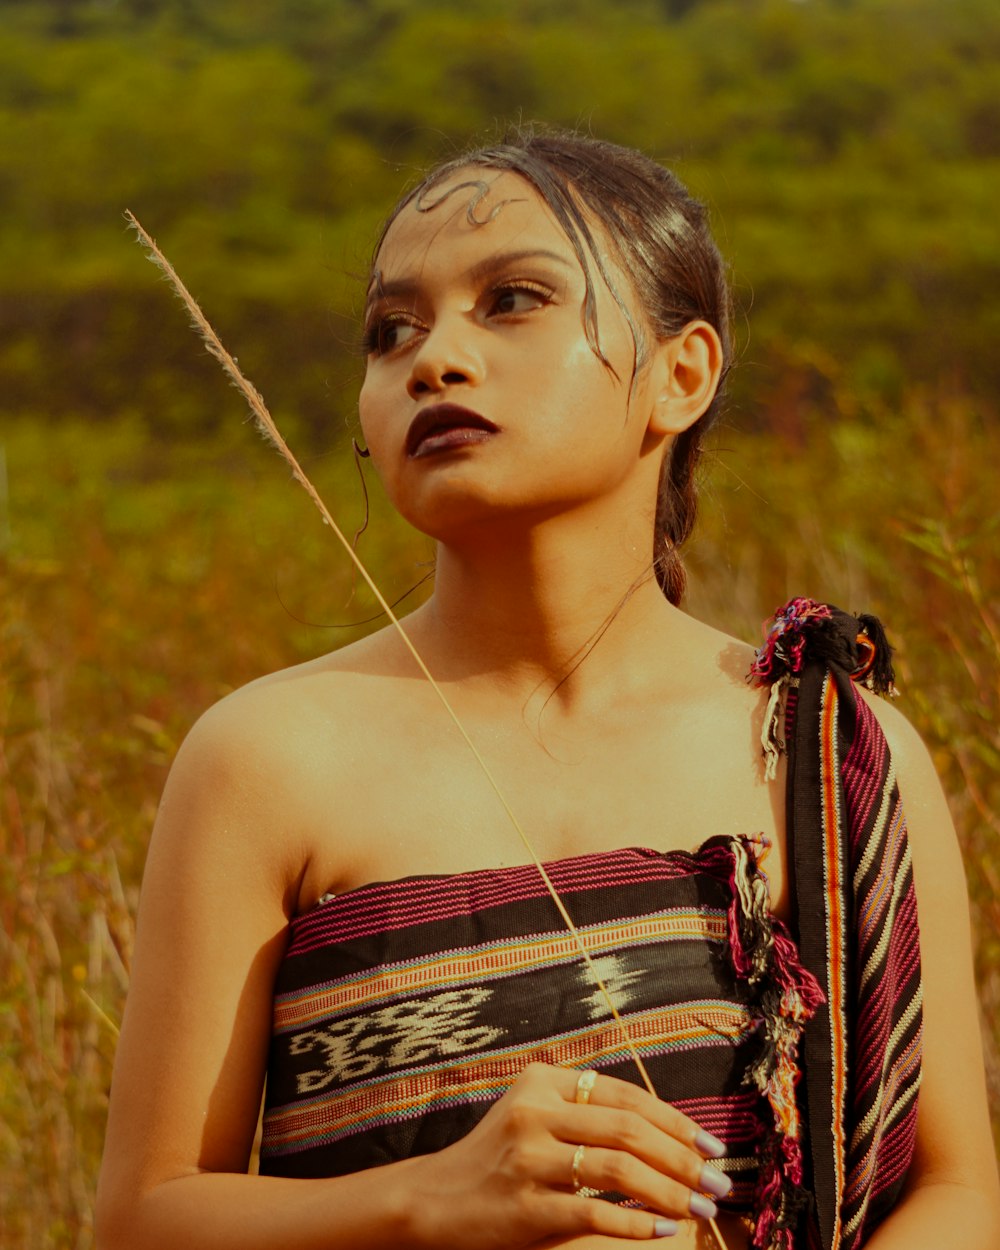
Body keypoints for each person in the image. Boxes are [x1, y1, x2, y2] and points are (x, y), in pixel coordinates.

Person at [96, 129, 1000, 1250]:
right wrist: (431, 1199)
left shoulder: (824, 747)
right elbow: (146, 1214)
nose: (435, 359)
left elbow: (954, 1194)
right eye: (392, 331)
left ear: (683, 373)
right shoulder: (267, 756)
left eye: (513, 299)